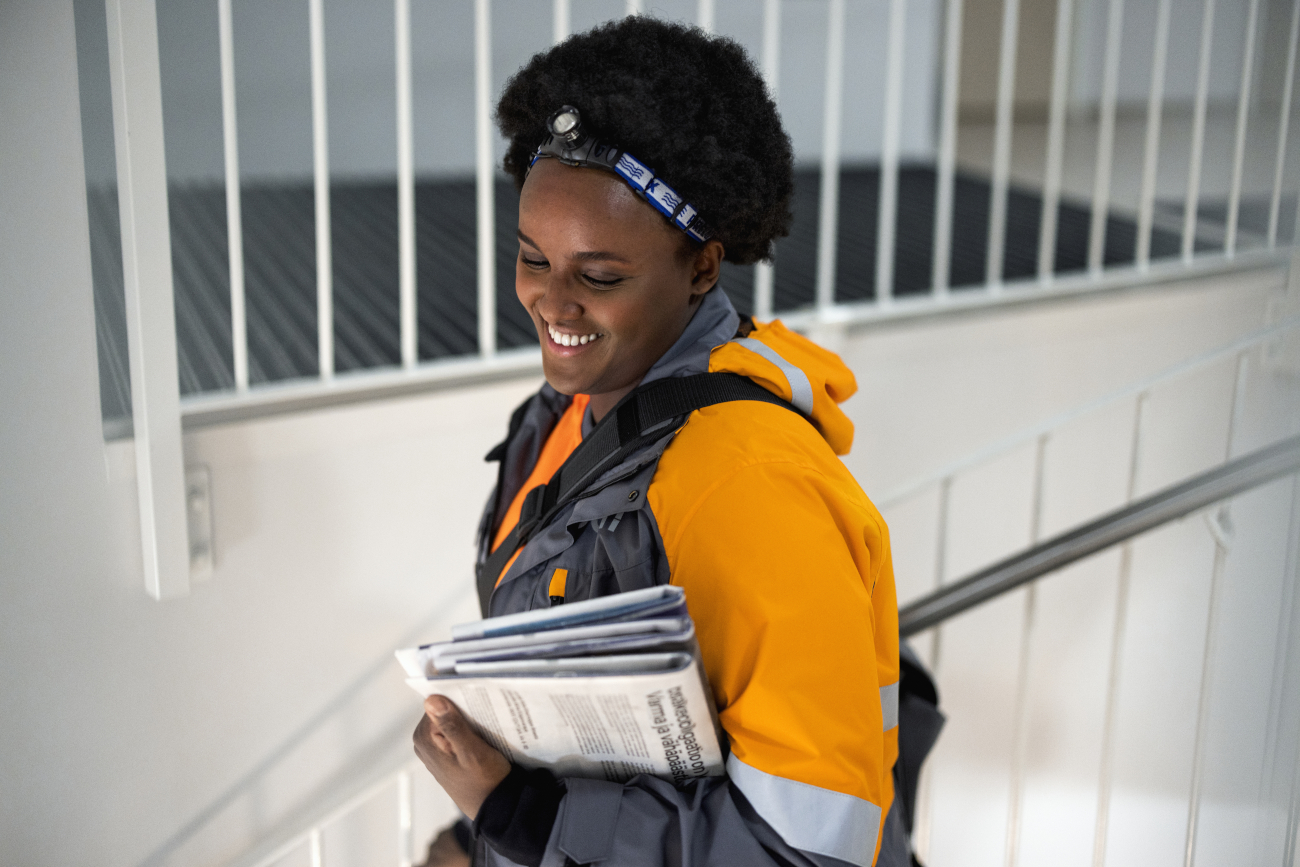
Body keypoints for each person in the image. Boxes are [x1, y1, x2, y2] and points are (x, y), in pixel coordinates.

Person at [413, 16, 905, 867]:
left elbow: (809, 850)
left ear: (703, 267)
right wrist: (477, 834)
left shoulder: (746, 485)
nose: (553, 305)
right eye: (533, 258)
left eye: (600, 275)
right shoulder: (575, 405)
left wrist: (516, 815)